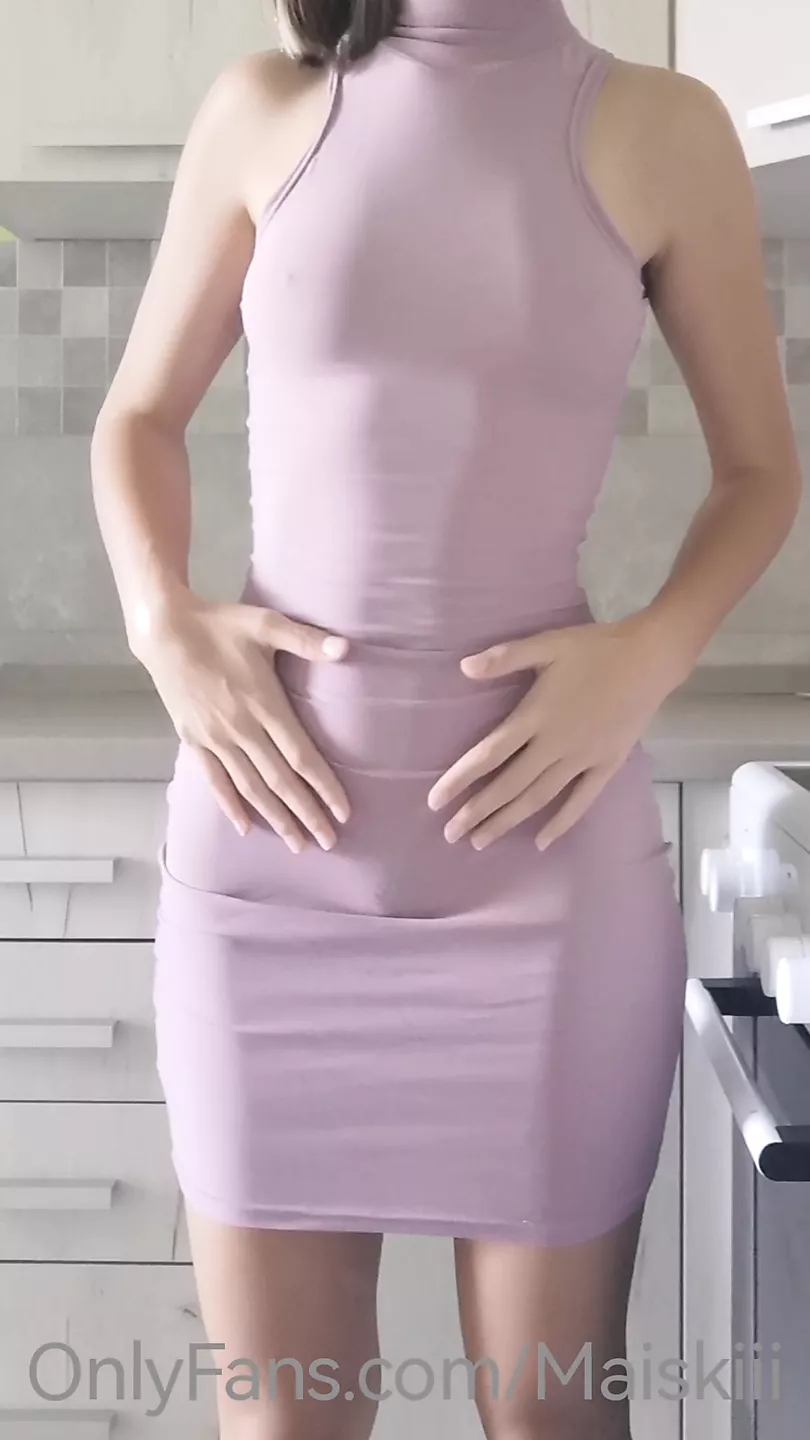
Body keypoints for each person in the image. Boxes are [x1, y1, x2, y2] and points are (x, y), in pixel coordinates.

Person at [90, 1, 801, 1436]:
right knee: (285, 1421)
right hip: (264, 862)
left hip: (542, 869)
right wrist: (163, 623)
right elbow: (137, 420)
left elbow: (760, 473)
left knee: (551, 1417)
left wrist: (646, 654)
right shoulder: (265, 109)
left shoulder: (664, 128)